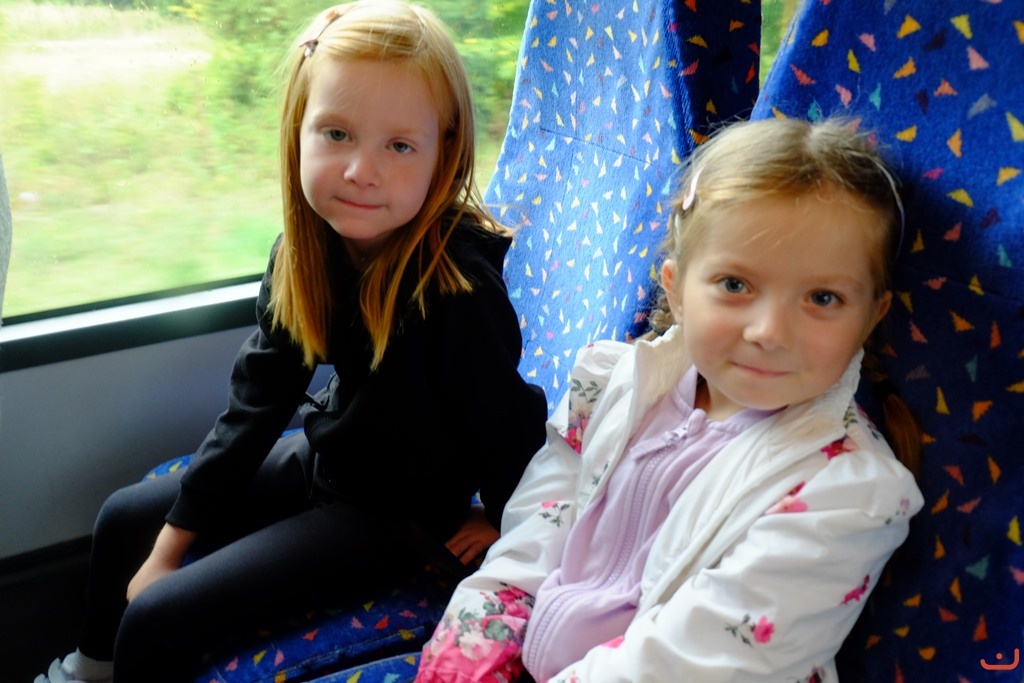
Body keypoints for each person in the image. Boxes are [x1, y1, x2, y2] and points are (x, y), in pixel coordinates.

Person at [34, 2, 548, 682]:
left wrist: (507, 523)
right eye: (337, 133)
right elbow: (258, 402)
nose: (361, 169)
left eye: (399, 146)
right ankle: (87, 671)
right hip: (328, 456)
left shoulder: (458, 289)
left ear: (442, 153)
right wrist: (168, 544)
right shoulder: (309, 254)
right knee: (122, 517)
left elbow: (507, 422)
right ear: (298, 133)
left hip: (392, 513)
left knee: (159, 616)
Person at [415, 117, 925, 683]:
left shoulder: (845, 492)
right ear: (676, 288)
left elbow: (697, 660)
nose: (769, 331)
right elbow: (541, 524)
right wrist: (470, 650)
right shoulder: (615, 386)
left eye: (822, 297)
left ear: (871, 315)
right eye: (735, 285)